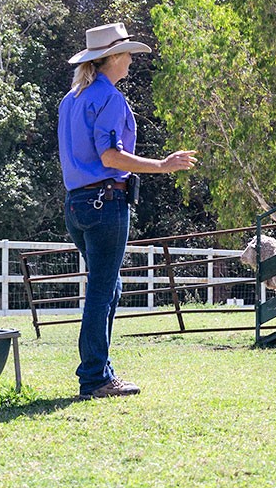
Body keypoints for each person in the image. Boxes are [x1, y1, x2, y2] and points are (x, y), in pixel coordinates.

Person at [57, 22, 198, 399]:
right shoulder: (109, 98)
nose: (132, 60)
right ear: (113, 58)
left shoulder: (71, 100)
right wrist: (162, 165)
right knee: (103, 290)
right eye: (128, 54)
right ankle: (94, 378)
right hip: (106, 202)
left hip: (76, 205)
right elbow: (109, 155)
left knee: (110, 285)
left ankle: (99, 370)